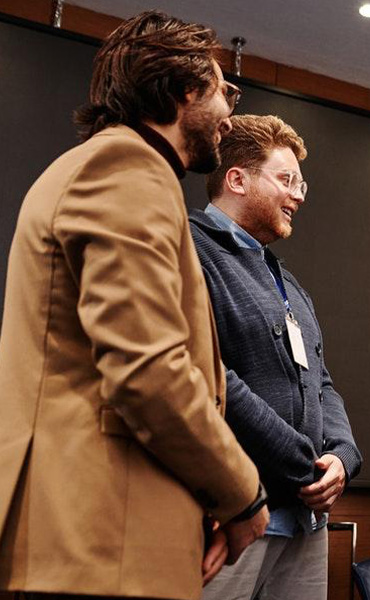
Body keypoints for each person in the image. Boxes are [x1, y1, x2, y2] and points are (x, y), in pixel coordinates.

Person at [0, 10, 270, 600]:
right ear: (183, 90)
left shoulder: (119, 169)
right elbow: (148, 372)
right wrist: (243, 494)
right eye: (226, 91)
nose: (231, 113)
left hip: (96, 542)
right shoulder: (127, 168)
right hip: (95, 545)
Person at [190, 114, 362, 600]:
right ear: (237, 179)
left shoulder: (290, 285)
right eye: (286, 180)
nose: (300, 194)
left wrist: (343, 458)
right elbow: (209, 375)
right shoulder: (189, 249)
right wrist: (304, 465)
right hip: (233, 517)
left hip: (305, 524)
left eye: (300, 182)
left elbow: (322, 383)